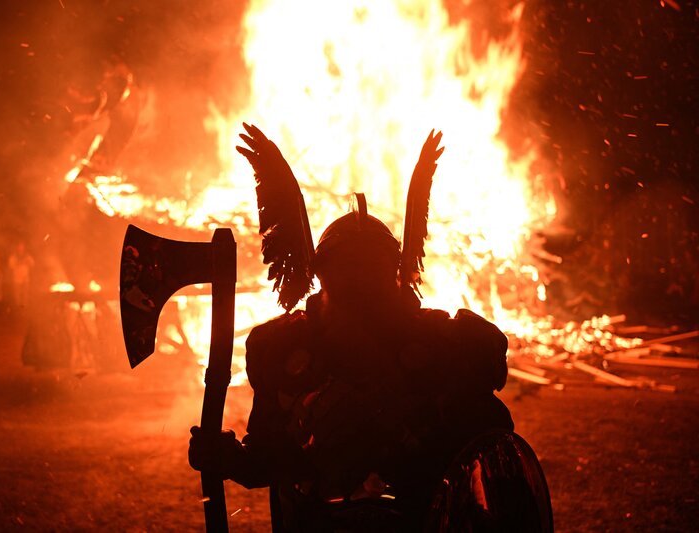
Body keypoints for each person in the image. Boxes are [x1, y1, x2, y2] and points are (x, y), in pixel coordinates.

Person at [189, 125, 513, 531]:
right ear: (321, 273)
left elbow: (488, 449)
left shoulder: (445, 345)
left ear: (394, 273)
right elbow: (273, 456)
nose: (360, 280)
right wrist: (227, 458)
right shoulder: (282, 348)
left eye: (371, 268)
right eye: (348, 267)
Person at [7, 242, 35, 309]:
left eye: (22, 247)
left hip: (25, 278)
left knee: (25, 293)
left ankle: (24, 307)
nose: (21, 248)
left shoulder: (27, 256)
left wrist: (28, 262)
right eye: (19, 247)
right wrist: (17, 263)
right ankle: (17, 307)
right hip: (17, 278)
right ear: (17, 248)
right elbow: (10, 265)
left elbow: (32, 264)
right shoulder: (14, 257)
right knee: (17, 294)